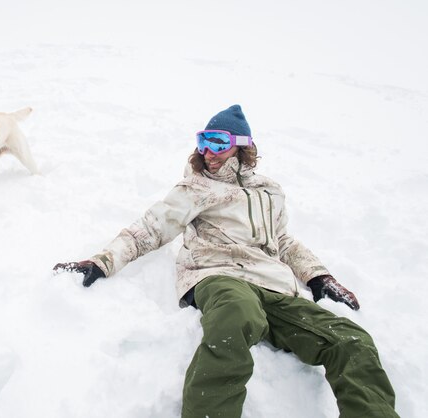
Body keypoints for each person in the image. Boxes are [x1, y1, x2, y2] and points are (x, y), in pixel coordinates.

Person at [54, 105, 398, 418]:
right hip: (218, 275)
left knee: (351, 341)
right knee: (237, 315)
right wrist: (102, 261)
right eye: (203, 141)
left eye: (217, 142)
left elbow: (282, 240)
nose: (208, 151)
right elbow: (150, 228)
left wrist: (319, 277)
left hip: (274, 286)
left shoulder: (269, 191)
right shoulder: (195, 188)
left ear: (242, 146)